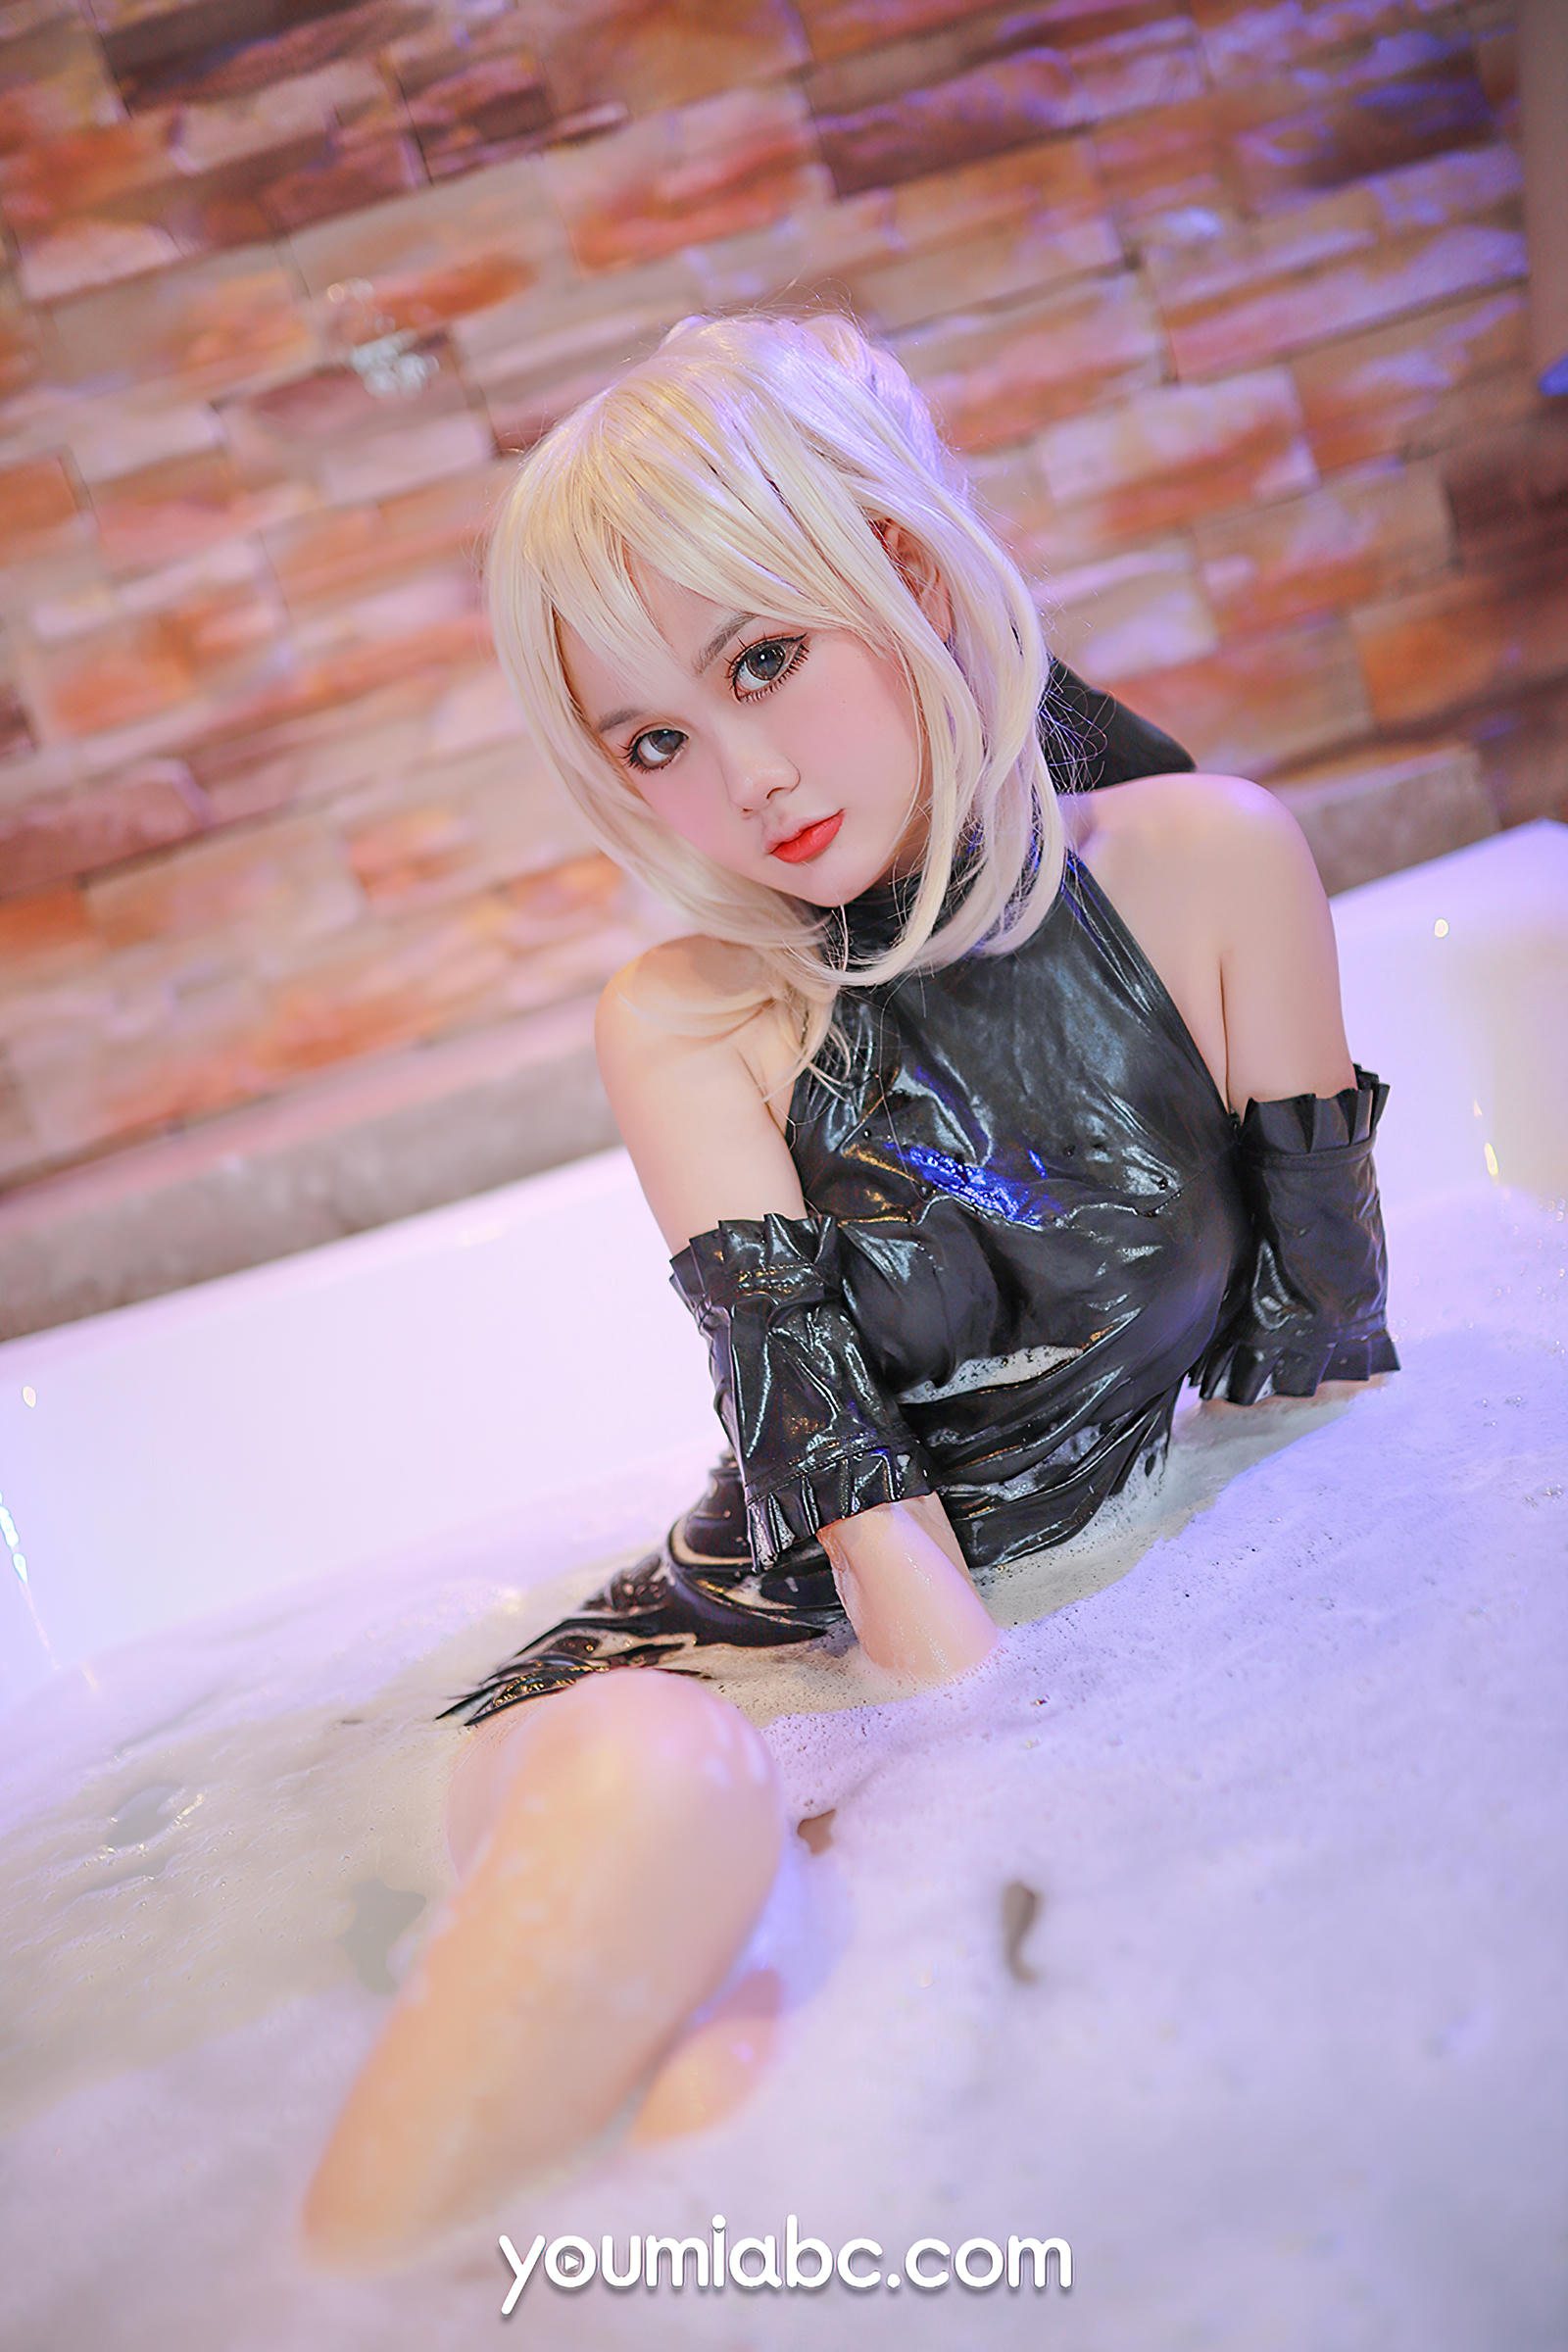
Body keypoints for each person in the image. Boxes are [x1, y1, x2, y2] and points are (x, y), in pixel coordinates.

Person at [301, 313, 1396, 2267]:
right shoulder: (693, 1019)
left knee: (736, 2100)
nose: (742, 777)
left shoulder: (1212, 868)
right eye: (654, 740)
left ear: (903, 574)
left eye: (760, 660)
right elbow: (851, 1500)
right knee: (669, 1786)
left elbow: (1316, 1382)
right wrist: (992, 1792)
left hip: (963, 1709)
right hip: (729, 1689)